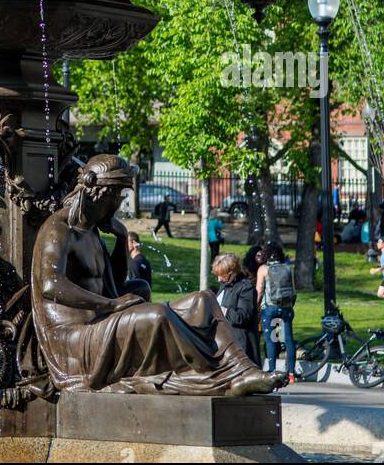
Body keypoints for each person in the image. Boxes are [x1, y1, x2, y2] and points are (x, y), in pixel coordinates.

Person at [30, 155, 276, 396]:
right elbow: (51, 286)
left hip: (100, 323)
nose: (120, 204)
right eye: (119, 196)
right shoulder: (58, 228)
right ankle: (219, 377)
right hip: (73, 338)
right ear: (102, 194)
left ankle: (242, 371)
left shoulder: (93, 231)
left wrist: (120, 237)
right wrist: (111, 304)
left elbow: (114, 284)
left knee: (204, 300)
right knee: (157, 314)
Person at [257, 242, 297, 381]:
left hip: (271, 310)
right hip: (286, 309)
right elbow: (293, 289)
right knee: (288, 340)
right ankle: (291, 373)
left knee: (272, 339)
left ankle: (272, 370)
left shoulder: (263, 269)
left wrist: (257, 306)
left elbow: (260, 290)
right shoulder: (287, 267)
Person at [211, 252, 260, 365]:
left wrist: (221, 310)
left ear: (232, 273)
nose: (219, 279)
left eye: (222, 275)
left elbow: (243, 317)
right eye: (217, 275)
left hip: (240, 346)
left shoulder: (246, 288)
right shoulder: (225, 286)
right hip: (224, 343)